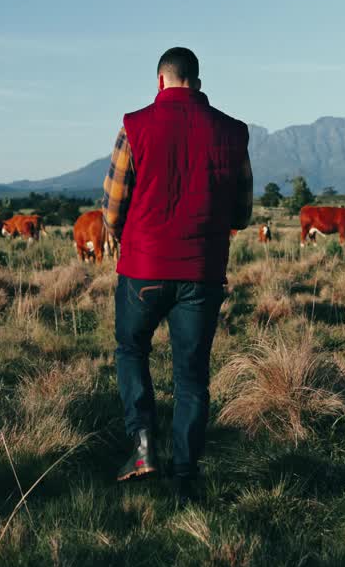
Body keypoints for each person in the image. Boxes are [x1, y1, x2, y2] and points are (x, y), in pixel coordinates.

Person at [100, 47, 253, 502]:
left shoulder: (134, 125)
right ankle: (186, 480)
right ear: (198, 84)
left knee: (131, 350)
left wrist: (122, 233)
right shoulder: (233, 132)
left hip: (143, 269)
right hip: (203, 272)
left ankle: (143, 446)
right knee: (191, 377)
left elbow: (112, 208)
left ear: (161, 82)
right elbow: (243, 213)